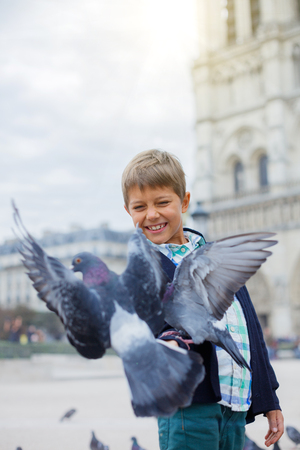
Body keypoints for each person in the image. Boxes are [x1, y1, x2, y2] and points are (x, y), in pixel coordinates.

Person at [122, 149, 284, 450]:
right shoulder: (142, 269)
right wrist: (168, 341)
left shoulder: (214, 259)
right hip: (188, 408)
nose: (152, 214)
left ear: (184, 202)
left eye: (162, 202)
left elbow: (249, 331)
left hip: (235, 406)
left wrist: (268, 397)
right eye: (140, 206)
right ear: (128, 210)